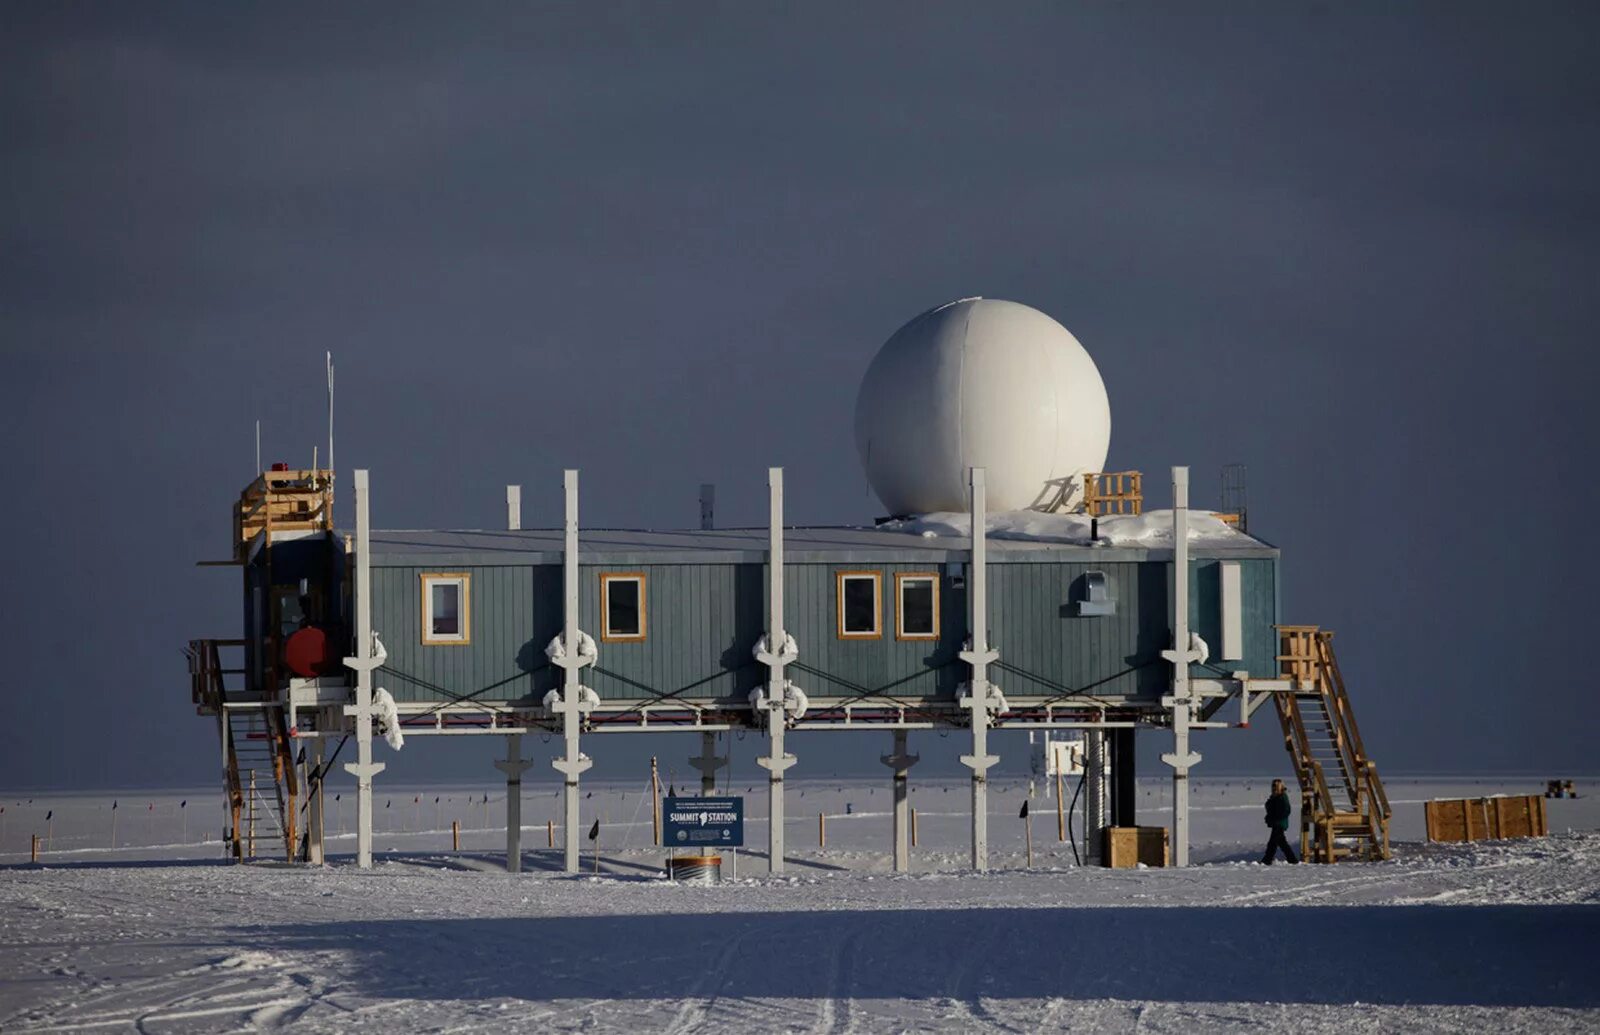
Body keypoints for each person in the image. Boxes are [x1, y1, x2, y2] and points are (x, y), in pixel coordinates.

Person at [1262, 778, 1299, 864]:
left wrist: (1277, 817)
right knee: (1280, 843)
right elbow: (1270, 808)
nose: (1274, 788)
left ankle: (1267, 860)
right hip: (1276, 823)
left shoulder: (1282, 797)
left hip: (1279, 823)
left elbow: (1286, 810)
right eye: (1273, 786)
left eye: (1276, 786)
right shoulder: (1274, 798)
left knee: (1273, 843)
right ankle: (1292, 860)